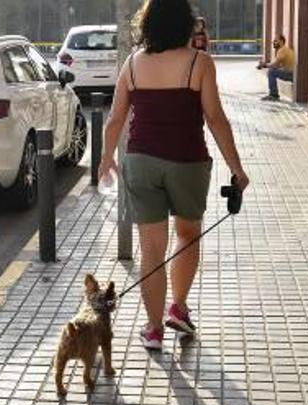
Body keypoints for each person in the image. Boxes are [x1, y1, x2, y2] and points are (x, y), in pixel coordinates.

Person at [99, 0, 250, 351]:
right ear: (186, 26)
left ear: (147, 25)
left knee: (151, 248)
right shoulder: (199, 62)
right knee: (187, 234)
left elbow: (115, 118)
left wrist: (106, 157)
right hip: (187, 161)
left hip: (140, 161)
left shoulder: (133, 64)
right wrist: (237, 168)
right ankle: (178, 308)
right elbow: (215, 119)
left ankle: (153, 330)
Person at [258, 34, 295, 101]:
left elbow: (274, 64)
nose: (274, 43)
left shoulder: (282, 50)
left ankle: (273, 95)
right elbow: (277, 65)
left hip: (291, 74)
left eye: (275, 41)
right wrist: (266, 65)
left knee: (271, 72)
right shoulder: (284, 49)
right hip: (291, 73)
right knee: (273, 70)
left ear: (281, 41)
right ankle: (273, 94)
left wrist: (264, 65)